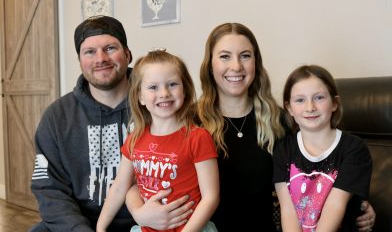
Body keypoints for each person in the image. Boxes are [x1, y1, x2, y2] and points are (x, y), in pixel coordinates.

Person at [125, 23, 376, 232]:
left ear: (256, 63)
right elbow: (139, 179)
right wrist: (139, 213)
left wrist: (359, 204)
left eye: (245, 56)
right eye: (225, 56)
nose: (236, 66)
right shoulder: (187, 122)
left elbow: (321, 169)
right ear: (210, 65)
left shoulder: (282, 120)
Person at [29, 15, 135, 231]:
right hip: (78, 224)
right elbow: (50, 189)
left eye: (110, 48)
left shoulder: (159, 106)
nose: (101, 58)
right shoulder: (57, 117)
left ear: (127, 54)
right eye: (90, 52)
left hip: (143, 222)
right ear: (80, 61)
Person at [97, 50, 220, 232]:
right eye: (153, 87)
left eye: (172, 84)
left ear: (184, 90)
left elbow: (211, 197)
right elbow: (119, 187)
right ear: (140, 96)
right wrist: (100, 227)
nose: (164, 93)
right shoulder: (135, 139)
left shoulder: (198, 137)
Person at [273, 65, 373, 231]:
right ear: (289, 108)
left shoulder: (354, 148)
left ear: (334, 103)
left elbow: (335, 206)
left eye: (319, 97)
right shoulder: (283, 149)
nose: (310, 107)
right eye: (300, 100)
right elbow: (288, 209)